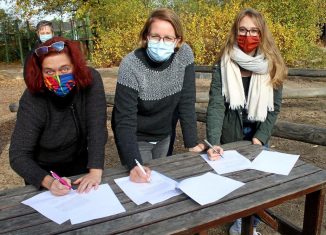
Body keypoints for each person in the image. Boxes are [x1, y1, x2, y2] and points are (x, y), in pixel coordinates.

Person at [205, 8, 287, 235]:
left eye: (253, 30)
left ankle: (246, 225)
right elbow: (216, 105)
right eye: (242, 29)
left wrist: (260, 138)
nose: (247, 35)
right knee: (234, 181)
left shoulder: (273, 64)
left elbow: (274, 108)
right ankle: (237, 218)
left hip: (258, 134)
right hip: (230, 134)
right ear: (235, 31)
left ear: (262, 33)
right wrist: (213, 142)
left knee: (261, 184)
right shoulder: (224, 63)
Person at [111, 8, 205, 183]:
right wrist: (133, 163)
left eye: (168, 38)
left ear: (178, 40)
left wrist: (192, 142)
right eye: (155, 36)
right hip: (137, 135)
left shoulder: (184, 55)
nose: (161, 42)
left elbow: (186, 100)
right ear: (146, 36)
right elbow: (124, 119)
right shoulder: (130, 65)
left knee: (162, 179)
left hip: (164, 133)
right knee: (144, 182)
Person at [10, 36, 108, 196]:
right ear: (40, 73)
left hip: (80, 162)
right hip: (44, 171)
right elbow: (18, 155)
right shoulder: (32, 99)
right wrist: (49, 182)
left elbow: (97, 126)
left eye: (65, 69)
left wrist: (95, 171)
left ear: (75, 67)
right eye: (49, 71)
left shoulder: (91, 80)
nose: (58, 76)